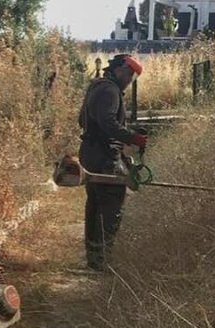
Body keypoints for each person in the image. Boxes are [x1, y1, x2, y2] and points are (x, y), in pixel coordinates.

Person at [77, 53, 147, 272]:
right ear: (119, 69)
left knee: (95, 203)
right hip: (105, 155)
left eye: (132, 77)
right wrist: (132, 137)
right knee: (111, 204)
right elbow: (108, 122)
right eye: (128, 74)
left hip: (90, 152)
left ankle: (94, 257)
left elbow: (83, 120)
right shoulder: (110, 90)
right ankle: (104, 259)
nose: (129, 79)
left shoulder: (97, 85)